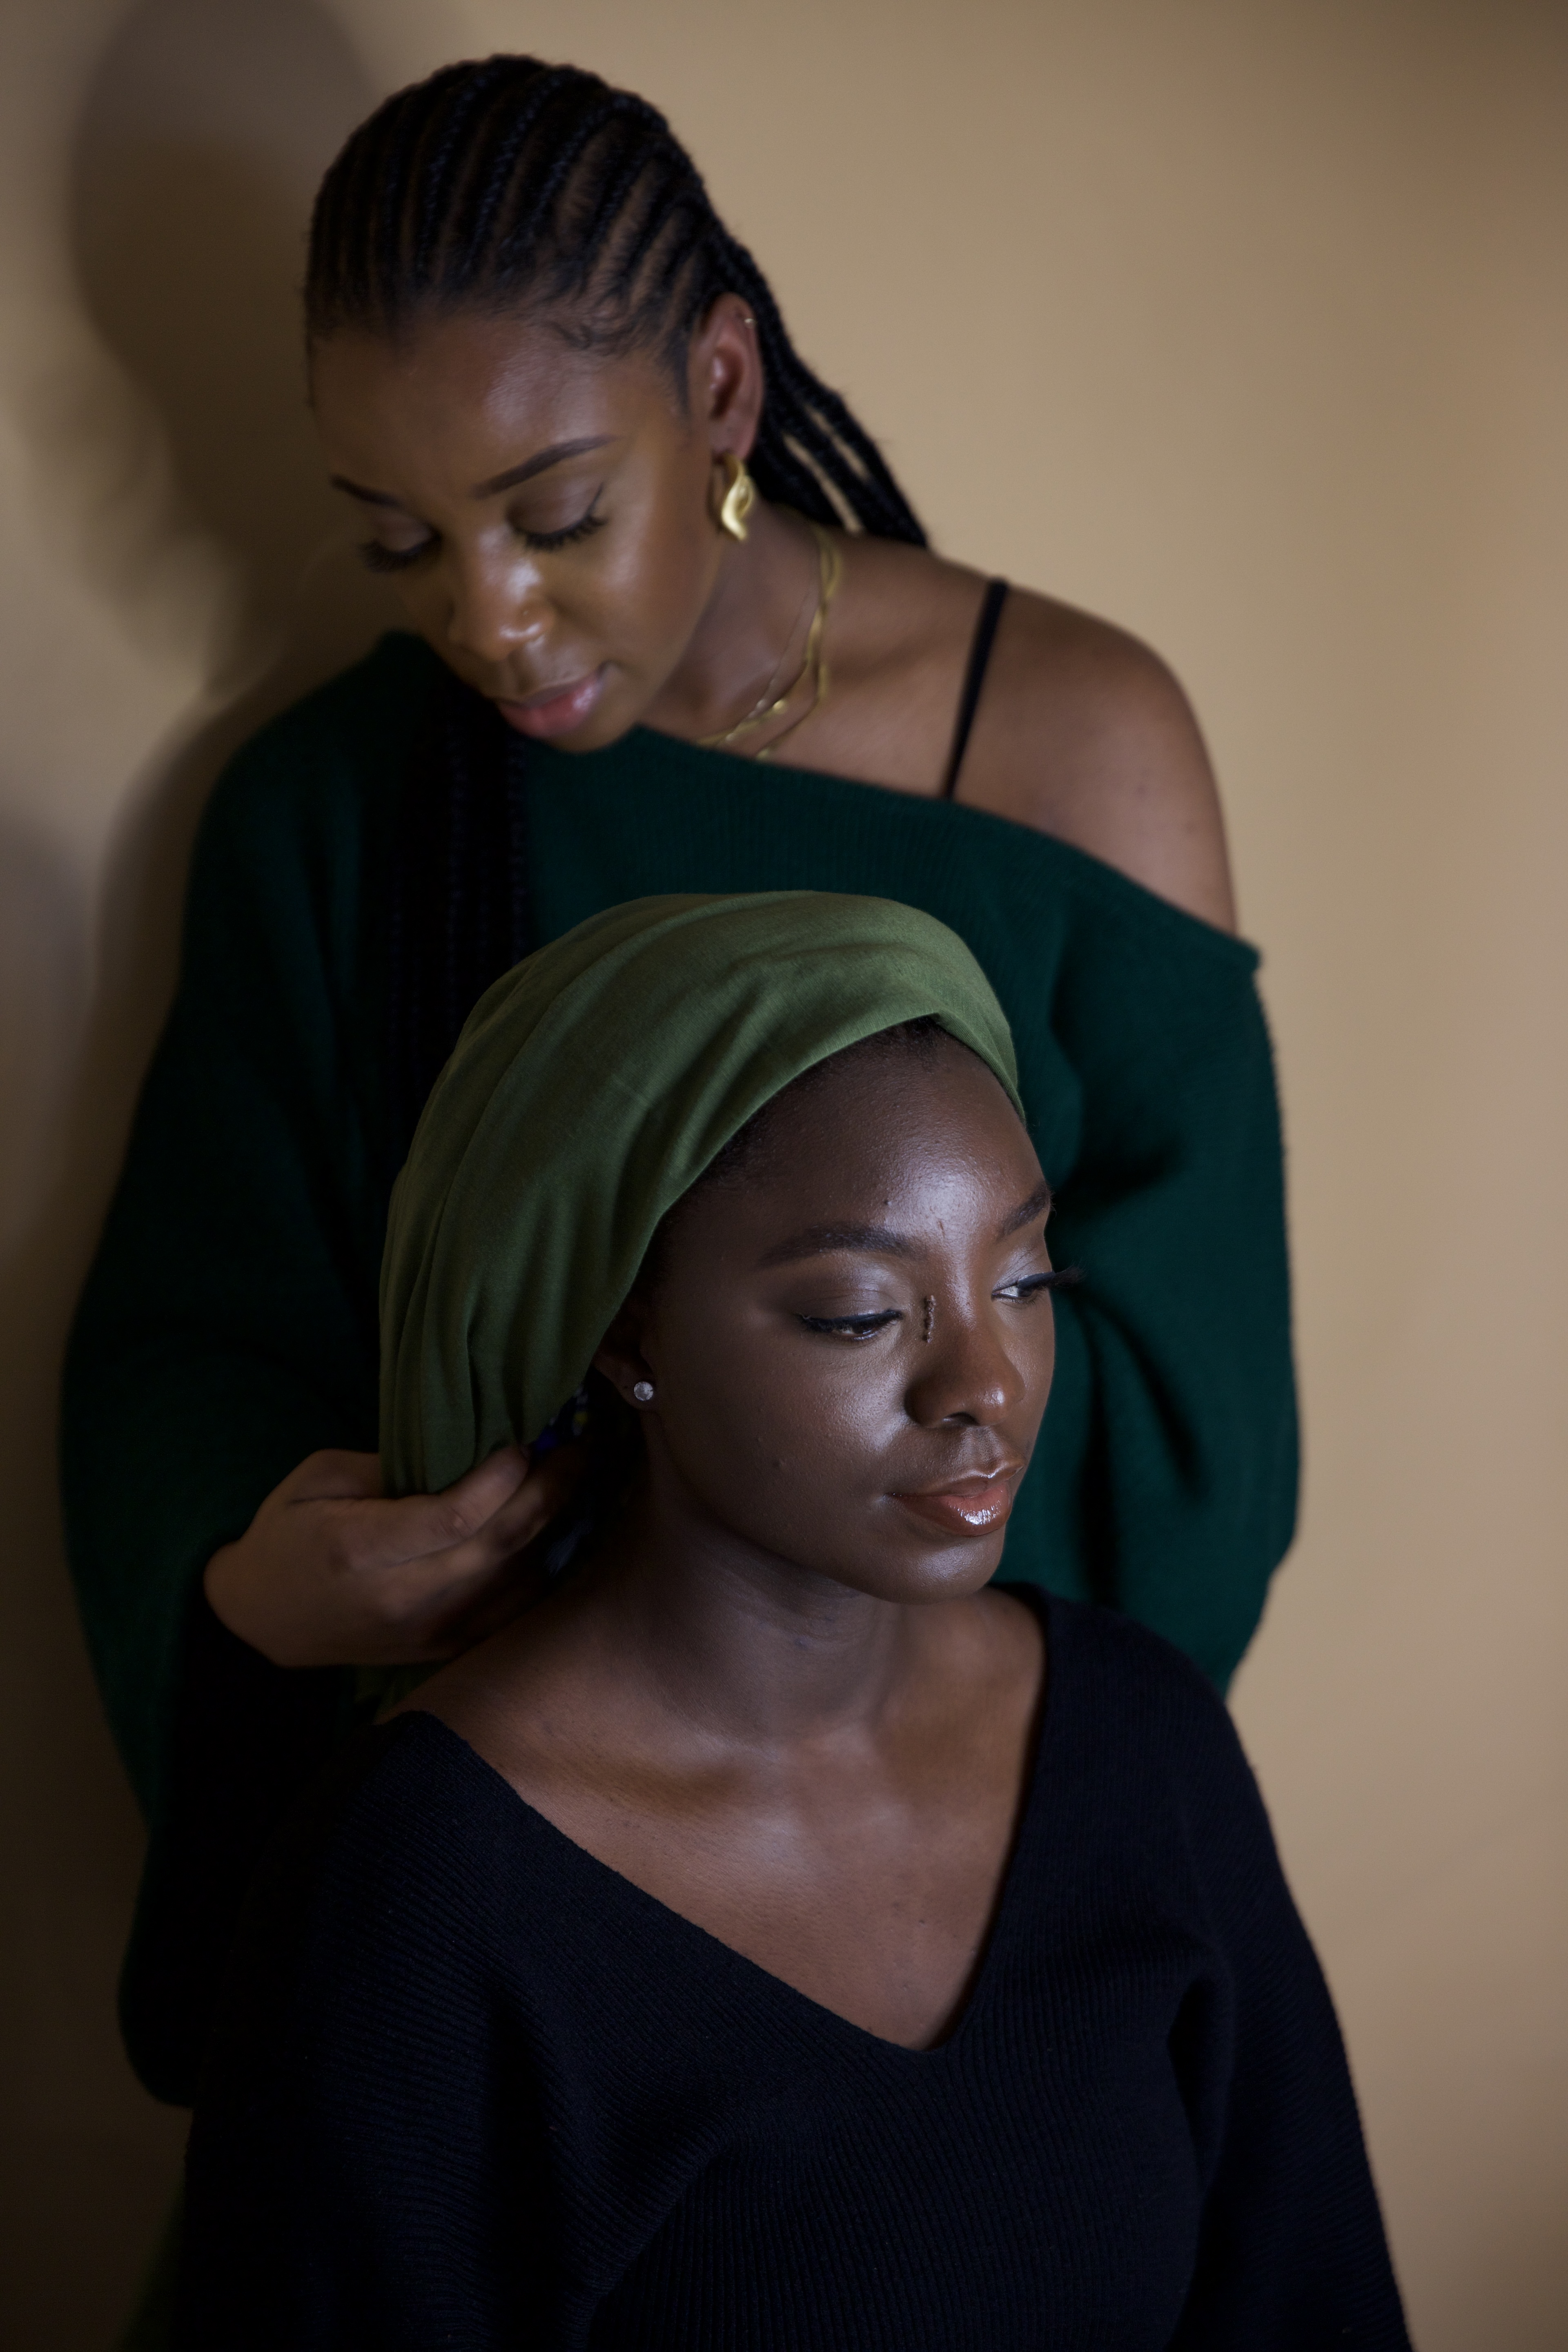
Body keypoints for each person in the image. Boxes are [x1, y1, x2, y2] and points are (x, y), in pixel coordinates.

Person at [62, 55, 1296, 2116]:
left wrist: (802, 1681)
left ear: (721, 394)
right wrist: (267, 1575)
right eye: (397, 543)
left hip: (944, 1908)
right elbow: (193, 1346)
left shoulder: (1080, 754)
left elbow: (1193, 1444)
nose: (488, 618)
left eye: (556, 515)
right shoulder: (334, 813)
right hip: (505, 1924)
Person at [174, 893, 1403, 2351]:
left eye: (1022, 1280)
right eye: (861, 1315)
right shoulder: (431, 1889)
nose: (987, 1388)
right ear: (624, 1328)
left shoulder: (1142, 1743)